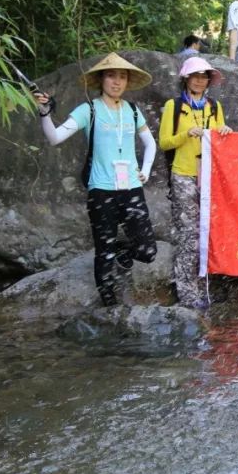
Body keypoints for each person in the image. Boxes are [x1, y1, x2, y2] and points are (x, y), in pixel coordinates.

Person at [34, 53, 158, 307]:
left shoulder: (133, 111)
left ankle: (123, 250)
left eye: (122, 76)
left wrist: (145, 170)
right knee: (104, 250)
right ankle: (109, 304)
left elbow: (150, 143)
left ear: (127, 81)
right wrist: (45, 113)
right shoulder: (88, 110)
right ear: (101, 79)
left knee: (148, 251)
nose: (117, 81)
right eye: (111, 75)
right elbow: (55, 138)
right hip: (101, 190)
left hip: (132, 187)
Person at [158, 57, 233, 309]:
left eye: (204, 76)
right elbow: (165, 142)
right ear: (186, 78)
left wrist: (225, 132)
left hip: (209, 177)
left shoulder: (214, 107)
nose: (200, 81)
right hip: (183, 174)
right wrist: (185, 134)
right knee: (189, 233)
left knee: (207, 232)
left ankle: (204, 287)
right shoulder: (174, 106)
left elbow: (220, 139)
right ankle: (186, 292)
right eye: (196, 76)